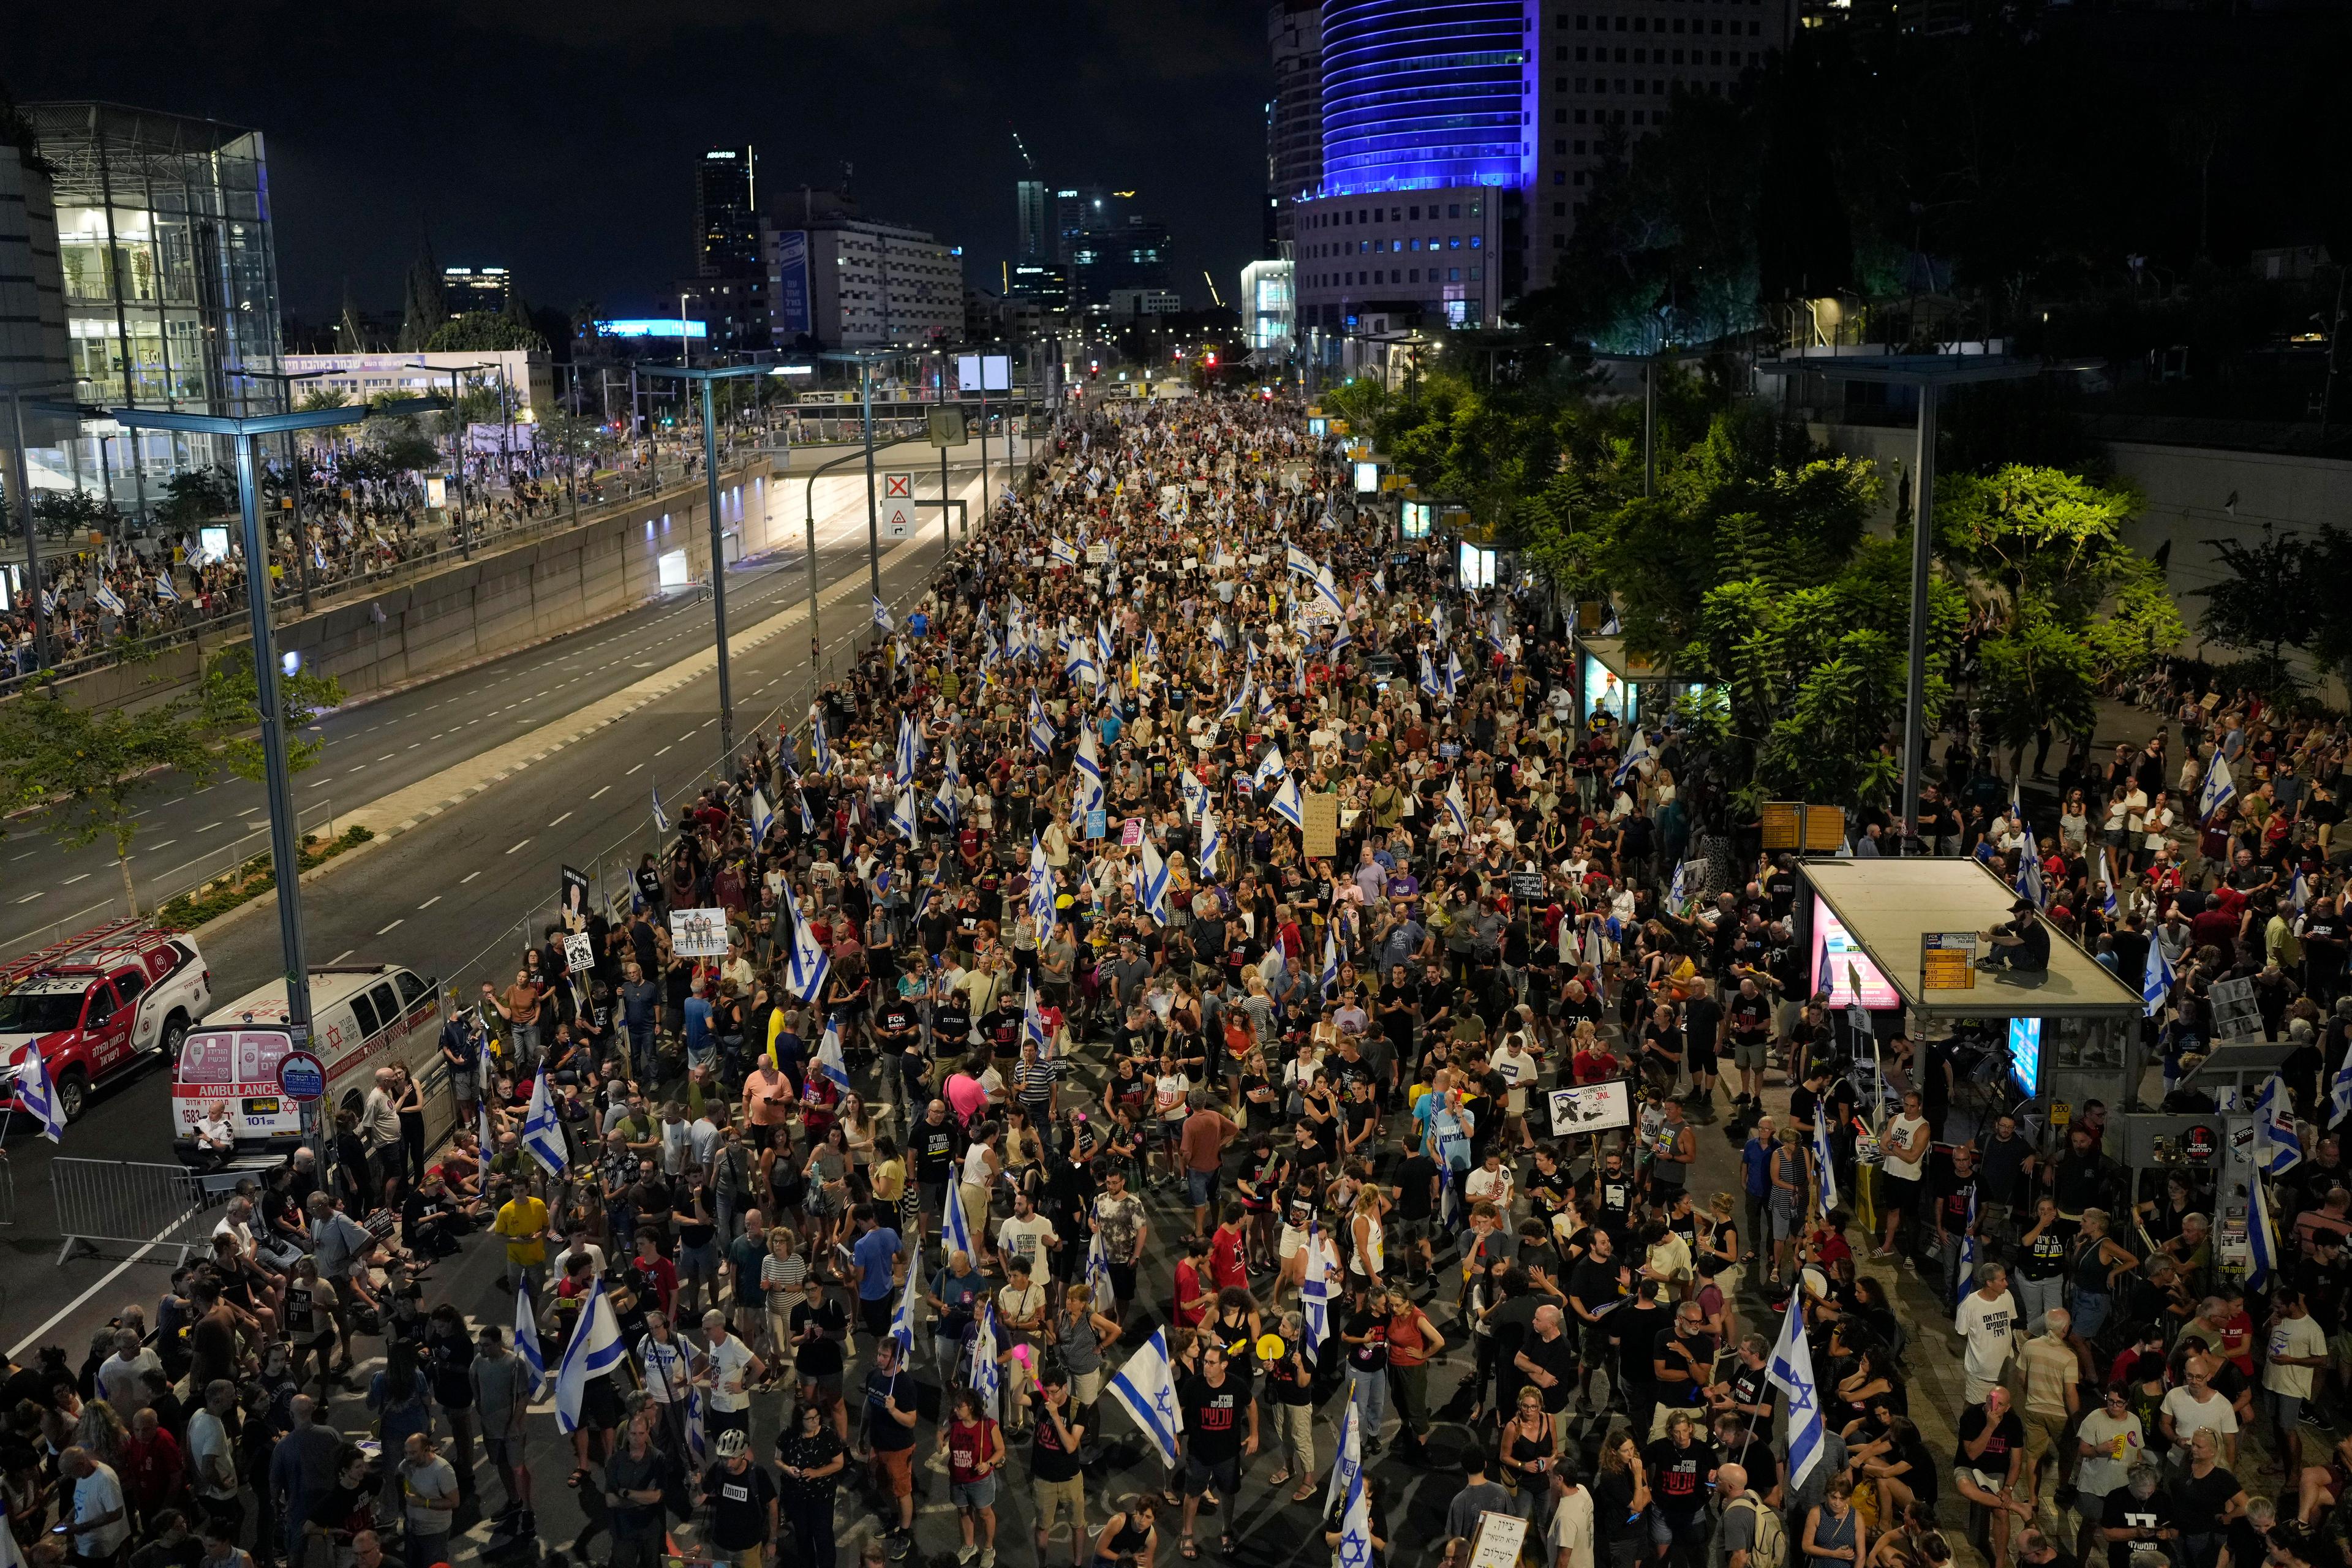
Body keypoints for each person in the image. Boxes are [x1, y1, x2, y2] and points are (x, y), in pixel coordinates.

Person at [1179, 1341, 1257, 1558]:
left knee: (1228, 1494)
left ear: (1224, 1365)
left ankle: (1226, 1531)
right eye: (1205, 1362)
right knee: (1193, 1493)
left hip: (1228, 1454)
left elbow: (1252, 1404)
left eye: (1212, 1363)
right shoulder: (1194, 1386)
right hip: (1199, 1453)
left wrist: (1255, 1434)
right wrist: (1174, 1437)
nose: (1206, 1367)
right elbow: (1178, 1411)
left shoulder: (1236, 1386)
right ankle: (1187, 1534)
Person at [859, 1334, 919, 1556]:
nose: (879, 1359)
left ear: (896, 1358)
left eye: (885, 1356)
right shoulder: (874, 1376)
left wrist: (894, 1411)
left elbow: (912, 1421)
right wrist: (862, 1435)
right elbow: (868, 1406)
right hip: (877, 1443)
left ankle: (904, 1534)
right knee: (882, 1486)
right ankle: (894, 1520)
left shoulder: (905, 1385)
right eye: (879, 1354)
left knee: (902, 1491)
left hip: (898, 1448)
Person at [774, 1401, 847, 1568]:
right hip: (797, 1497)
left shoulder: (828, 1435)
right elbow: (777, 1459)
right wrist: (787, 1469)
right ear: (800, 1420)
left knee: (823, 1537)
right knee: (803, 1536)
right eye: (810, 1419)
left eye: (817, 1417)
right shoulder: (789, 1434)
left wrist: (816, 1473)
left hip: (821, 1497)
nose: (815, 1422)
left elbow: (839, 1463)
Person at [943, 1387, 1005, 1568]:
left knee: (985, 1514)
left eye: (959, 1407)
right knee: (964, 1512)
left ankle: (988, 1549)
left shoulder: (988, 1425)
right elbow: (943, 1431)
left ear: (970, 1407)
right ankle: (969, 1546)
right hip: (957, 1479)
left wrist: (988, 1464)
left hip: (980, 1482)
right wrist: (940, 1438)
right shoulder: (955, 1421)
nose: (955, 1410)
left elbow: (1000, 1450)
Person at [699, 1427, 777, 1568]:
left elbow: (772, 1505)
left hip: (748, 1549)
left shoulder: (757, 1473)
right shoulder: (717, 1470)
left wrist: (772, 1541)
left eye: (733, 1458)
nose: (728, 1464)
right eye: (724, 1458)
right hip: (720, 1547)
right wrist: (694, 1486)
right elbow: (696, 1501)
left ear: (742, 1454)